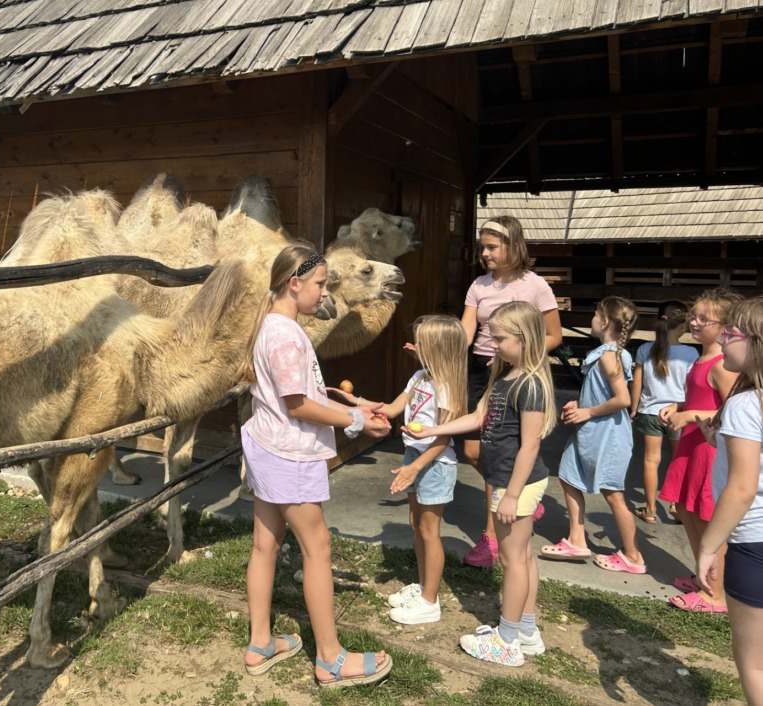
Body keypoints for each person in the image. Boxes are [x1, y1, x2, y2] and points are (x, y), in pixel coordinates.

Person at [239, 242, 393, 689]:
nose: (325, 293)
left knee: (265, 545)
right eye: (321, 284)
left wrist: (353, 401)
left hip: (268, 447)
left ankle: (261, 643)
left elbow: (299, 392)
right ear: (295, 284)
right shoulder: (287, 335)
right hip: (290, 454)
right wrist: (356, 421)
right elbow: (298, 403)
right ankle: (330, 658)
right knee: (318, 547)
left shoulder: (273, 326)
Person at [408, 301, 557, 666]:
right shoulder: (504, 377)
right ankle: (526, 630)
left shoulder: (531, 385)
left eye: (500, 338)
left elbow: (531, 444)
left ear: (524, 339)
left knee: (512, 561)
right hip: (508, 481)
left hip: (515, 483)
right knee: (522, 556)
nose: (492, 345)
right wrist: (435, 429)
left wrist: (513, 495)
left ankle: (507, 642)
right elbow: (476, 417)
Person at [329, 315, 467, 625]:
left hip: (433, 463)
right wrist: (357, 402)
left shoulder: (447, 386)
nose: (414, 347)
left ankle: (430, 602)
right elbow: (391, 409)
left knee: (430, 531)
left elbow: (443, 437)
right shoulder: (419, 376)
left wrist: (415, 468)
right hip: (414, 455)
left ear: (437, 348)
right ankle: (422, 587)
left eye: (421, 342)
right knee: (416, 524)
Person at [461, 216, 562, 568]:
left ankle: (490, 538)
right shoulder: (478, 285)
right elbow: (466, 331)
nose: (484, 254)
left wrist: (516, 360)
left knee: (499, 453)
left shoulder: (536, 287)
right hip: (481, 370)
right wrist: (437, 348)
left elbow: (553, 337)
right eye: (482, 248)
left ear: (513, 246)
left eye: (492, 247)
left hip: (517, 372)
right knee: (475, 452)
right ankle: (527, 494)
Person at [540, 297, 645, 573]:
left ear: (605, 321)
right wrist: (580, 406)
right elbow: (607, 394)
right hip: (590, 432)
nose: (592, 319)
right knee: (568, 476)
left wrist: (588, 412)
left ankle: (633, 556)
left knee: (613, 494)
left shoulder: (609, 356)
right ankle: (576, 539)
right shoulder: (609, 354)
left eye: (595, 313)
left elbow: (622, 399)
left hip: (608, 437)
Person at [659, 288, 743, 612]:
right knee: (684, 509)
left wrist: (688, 415)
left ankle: (716, 594)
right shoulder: (700, 358)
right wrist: (677, 405)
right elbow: (701, 400)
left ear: (725, 326)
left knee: (707, 518)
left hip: (708, 447)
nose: (693, 321)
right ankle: (703, 574)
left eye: (702, 318)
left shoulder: (723, 364)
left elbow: (732, 409)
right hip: (691, 444)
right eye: (693, 315)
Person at [697, 296, 763, 704]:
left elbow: (742, 487)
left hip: (753, 543)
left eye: (732, 333)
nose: (723, 339)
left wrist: (708, 546)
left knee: (755, 661)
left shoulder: (744, 403)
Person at [629, 301, 696, 524]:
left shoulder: (644, 349)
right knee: (679, 460)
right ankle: (676, 507)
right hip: (678, 413)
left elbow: (637, 382)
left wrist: (634, 408)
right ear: (682, 326)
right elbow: (691, 387)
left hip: (649, 412)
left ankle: (649, 509)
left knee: (651, 460)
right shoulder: (690, 353)